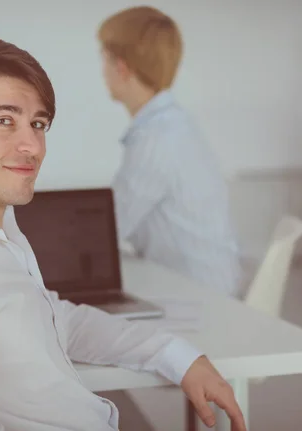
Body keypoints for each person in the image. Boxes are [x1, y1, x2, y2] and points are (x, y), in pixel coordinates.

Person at [0, 34, 246, 431]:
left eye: (38, 124)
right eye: (4, 120)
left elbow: (54, 318)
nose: (33, 145)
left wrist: (177, 356)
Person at [98, 6, 243, 297]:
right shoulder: (171, 126)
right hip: (202, 287)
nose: (102, 72)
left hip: (201, 300)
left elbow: (107, 229)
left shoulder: (157, 138)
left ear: (121, 67)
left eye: (103, 60)